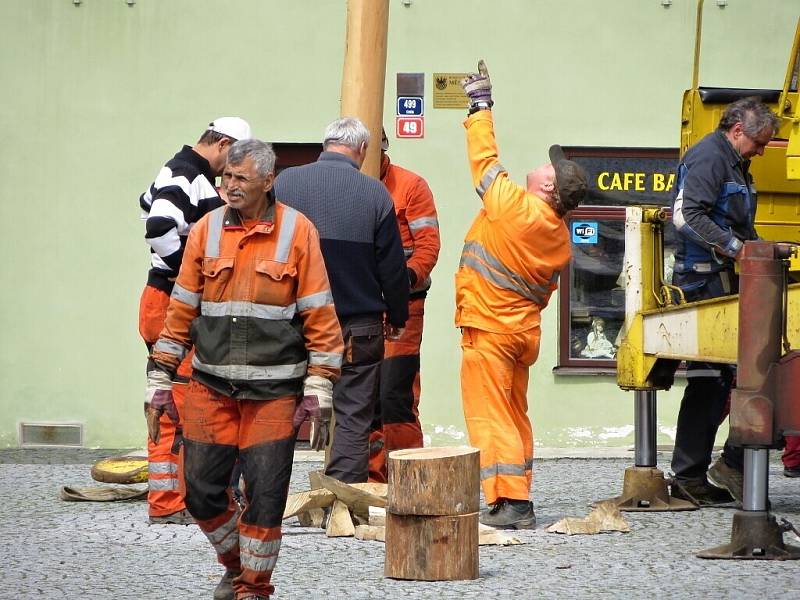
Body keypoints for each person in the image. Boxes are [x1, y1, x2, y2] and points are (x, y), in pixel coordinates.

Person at [147, 139, 343, 600]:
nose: (229, 186)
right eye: (225, 178)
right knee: (199, 493)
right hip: (211, 387)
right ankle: (237, 566)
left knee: (266, 497)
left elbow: (318, 311)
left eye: (240, 179)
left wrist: (320, 386)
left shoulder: (298, 232)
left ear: (268, 181)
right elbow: (181, 309)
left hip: (274, 392)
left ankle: (253, 590)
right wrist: (160, 374)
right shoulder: (206, 230)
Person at [456, 61, 587, 529]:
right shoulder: (558, 237)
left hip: (489, 330)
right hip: (519, 332)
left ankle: (510, 502)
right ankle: (518, 492)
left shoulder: (515, 208)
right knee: (513, 413)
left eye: (548, 165)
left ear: (547, 187)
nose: (541, 162)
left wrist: (481, 106)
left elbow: (484, 160)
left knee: (491, 416)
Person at [274, 117, 409, 483]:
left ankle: (266, 492)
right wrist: (398, 314)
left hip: (293, 321)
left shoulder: (285, 182)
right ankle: (343, 497)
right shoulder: (376, 193)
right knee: (353, 412)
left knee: (280, 405)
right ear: (362, 150)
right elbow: (392, 266)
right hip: (357, 325)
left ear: (325, 144)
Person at [138, 116, 251, 525]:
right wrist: (189, 276)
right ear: (222, 144)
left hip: (164, 300)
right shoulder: (187, 173)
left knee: (176, 402)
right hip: (172, 303)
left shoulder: (178, 172)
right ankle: (174, 504)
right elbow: (158, 223)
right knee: (181, 405)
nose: (232, 172)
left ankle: (173, 499)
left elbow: (145, 201)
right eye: (233, 160)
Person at [669, 97, 780, 506]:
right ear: (737, 131)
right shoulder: (709, 158)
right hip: (705, 281)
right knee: (714, 379)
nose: (761, 150)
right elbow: (686, 217)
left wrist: (754, 247)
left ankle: (697, 472)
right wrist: (738, 249)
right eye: (758, 142)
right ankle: (697, 471)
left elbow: (730, 219)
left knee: (722, 380)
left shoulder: (733, 162)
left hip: (724, 278)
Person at [367, 128, 441, 482]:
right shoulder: (349, 186)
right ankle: (371, 480)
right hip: (360, 307)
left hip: (403, 305)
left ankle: (408, 478)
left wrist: (401, 282)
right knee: (364, 398)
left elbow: (428, 246)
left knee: (395, 395)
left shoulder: (410, 186)